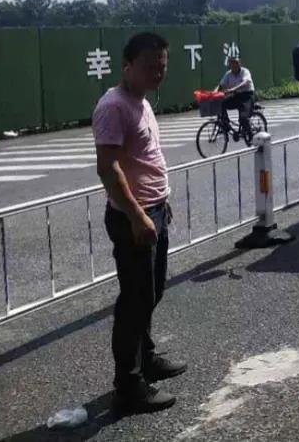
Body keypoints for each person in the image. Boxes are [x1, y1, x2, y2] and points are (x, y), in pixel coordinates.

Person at [93, 32, 186, 415]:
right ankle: (128, 386)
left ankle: (146, 358)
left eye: (162, 66)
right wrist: (138, 215)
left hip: (154, 212)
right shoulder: (113, 106)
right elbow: (108, 167)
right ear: (126, 65)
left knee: (152, 292)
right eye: (151, 67)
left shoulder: (141, 101)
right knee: (134, 300)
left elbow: (146, 158)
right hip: (134, 218)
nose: (158, 73)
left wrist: (162, 204)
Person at [216, 56, 255, 136]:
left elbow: (245, 82)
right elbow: (221, 85)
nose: (234, 66)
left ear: (240, 64)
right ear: (230, 65)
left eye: (236, 63)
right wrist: (213, 93)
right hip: (237, 96)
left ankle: (251, 135)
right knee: (221, 104)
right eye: (232, 64)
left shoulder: (245, 71)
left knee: (243, 118)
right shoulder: (228, 74)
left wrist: (233, 89)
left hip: (247, 96)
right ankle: (226, 125)